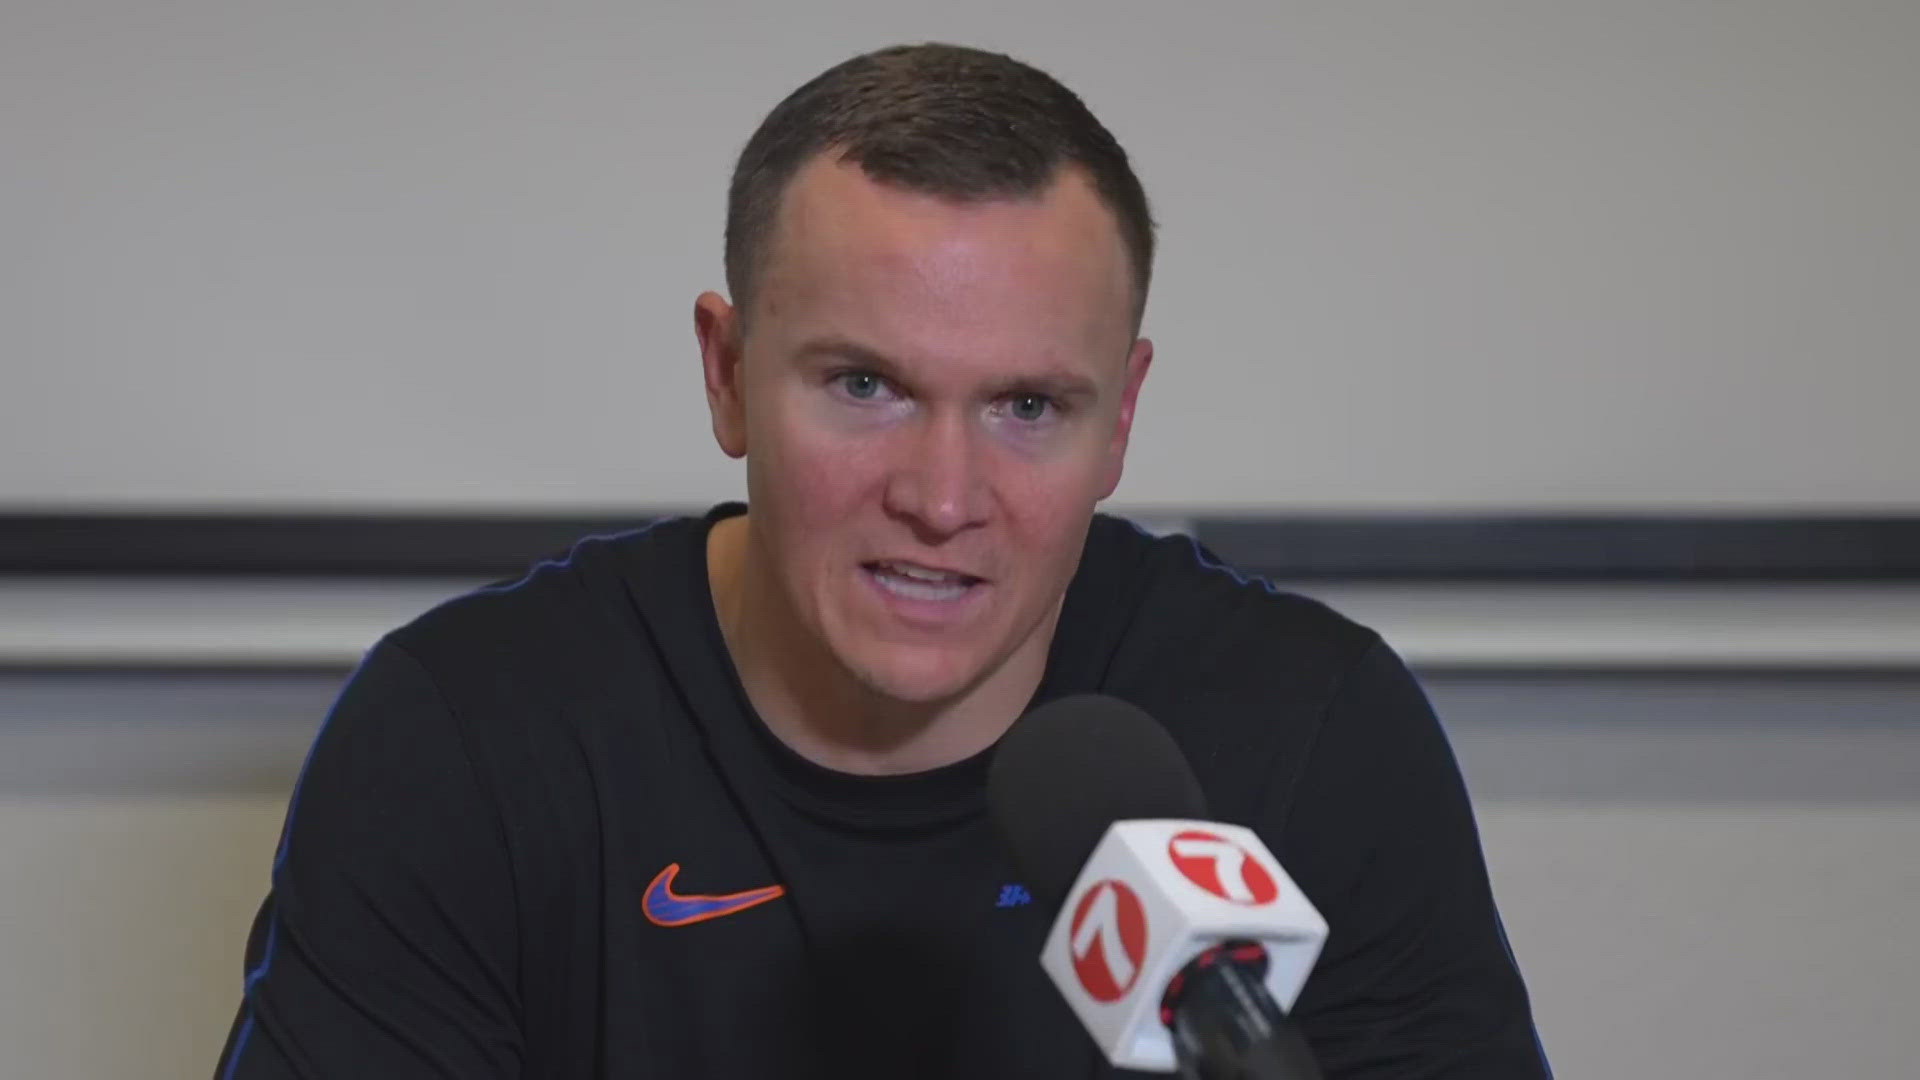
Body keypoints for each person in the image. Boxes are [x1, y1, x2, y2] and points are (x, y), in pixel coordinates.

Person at [215, 42, 1549, 1079]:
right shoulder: (469, 738)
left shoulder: (1310, 730)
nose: (943, 497)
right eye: (865, 385)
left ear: (1123, 419)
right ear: (729, 376)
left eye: (1028, 407)